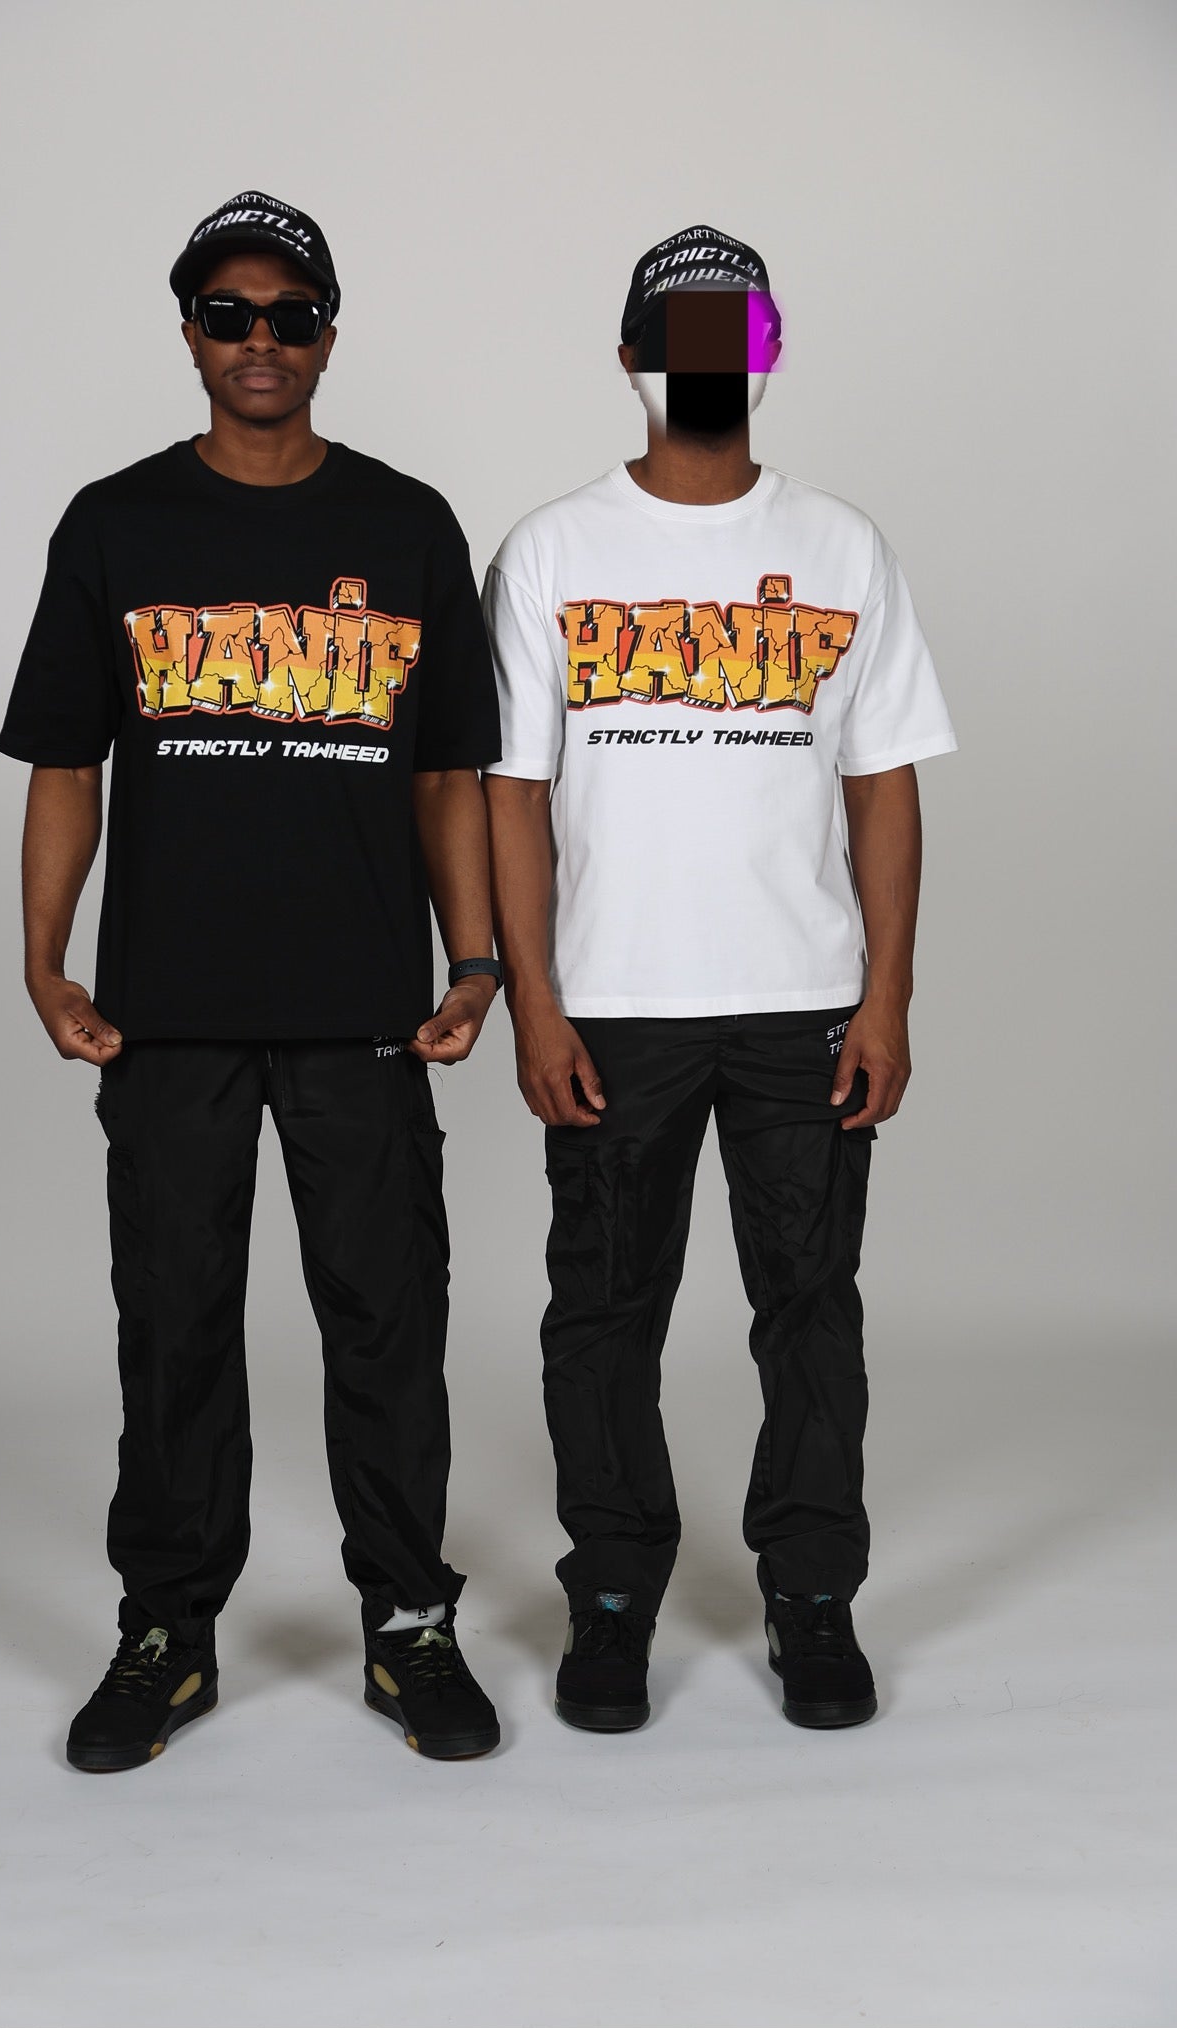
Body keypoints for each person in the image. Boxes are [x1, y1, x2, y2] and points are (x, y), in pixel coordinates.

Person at [0, 192, 504, 1771]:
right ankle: (169, 1631)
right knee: (175, 1330)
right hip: (169, 1014)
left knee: (388, 1325)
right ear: (192, 334)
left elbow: (448, 772)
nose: (260, 339)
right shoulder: (115, 524)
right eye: (230, 314)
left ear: (329, 337)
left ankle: (408, 1622)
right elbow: (67, 760)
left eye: (290, 315)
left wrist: (477, 956)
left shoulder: (407, 525)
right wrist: (44, 957)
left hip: (365, 1013)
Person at [483, 225, 957, 1734]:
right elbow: (511, 792)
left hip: (800, 1004)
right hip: (614, 1007)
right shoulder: (553, 550)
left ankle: (811, 1593)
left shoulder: (844, 546)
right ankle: (615, 1594)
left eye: (728, 329)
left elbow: (884, 781)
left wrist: (884, 996)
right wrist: (536, 1002)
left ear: (765, 352)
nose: (700, 356)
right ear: (633, 356)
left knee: (809, 1309)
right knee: (603, 1313)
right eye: (676, 331)